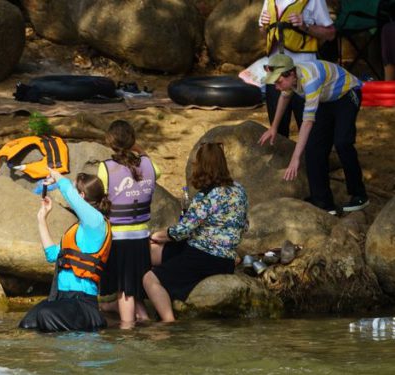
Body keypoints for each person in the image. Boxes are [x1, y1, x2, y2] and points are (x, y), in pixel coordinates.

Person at [143, 143, 248, 322]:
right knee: (152, 253)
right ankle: (142, 302)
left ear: (202, 166)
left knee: (149, 279)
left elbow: (183, 230)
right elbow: (245, 226)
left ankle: (168, 323)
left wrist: (158, 235)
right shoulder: (239, 190)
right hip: (225, 258)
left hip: (204, 257)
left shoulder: (206, 196)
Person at [258, 54, 368, 213]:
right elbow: (284, 97)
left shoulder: (310, 80)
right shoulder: (291, 81)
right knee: (314, 148)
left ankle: (359, 195)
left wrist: (295, 158)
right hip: (325, 100)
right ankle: (323, 201)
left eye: (278, 81)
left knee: (342, 142)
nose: (276, 86)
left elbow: (307, 122)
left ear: (291, 74)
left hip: (347, 95)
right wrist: (273, 127)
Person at [19, 170, 112, 332]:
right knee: (27, 324)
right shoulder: (79, 229)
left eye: (76, 193)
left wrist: (53, 173)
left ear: (81, 196)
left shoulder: (96, 223)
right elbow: (53, 255)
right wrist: (42, 219)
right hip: (62, 298)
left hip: (82, 303)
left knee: (46, 315)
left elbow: (68, 190)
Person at [97, 120, 159, 328]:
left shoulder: (106, 168)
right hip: (142, 237)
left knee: (124, 289)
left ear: (109, 142)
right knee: (135, 285)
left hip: (119, 239)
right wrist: (138, 150)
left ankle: (127, 332)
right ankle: (144, 320)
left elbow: (99, 196)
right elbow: (153, 169)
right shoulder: (149, 164)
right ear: (133, 141)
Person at [259, 0, 335, 138]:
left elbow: (330, 34)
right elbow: (264, 33)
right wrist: (264, 27)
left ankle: (311, 159)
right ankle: (283, 159)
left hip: (304, 75)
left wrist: (305, 26)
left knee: (310, 130)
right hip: (276, 76)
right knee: (278, 133)